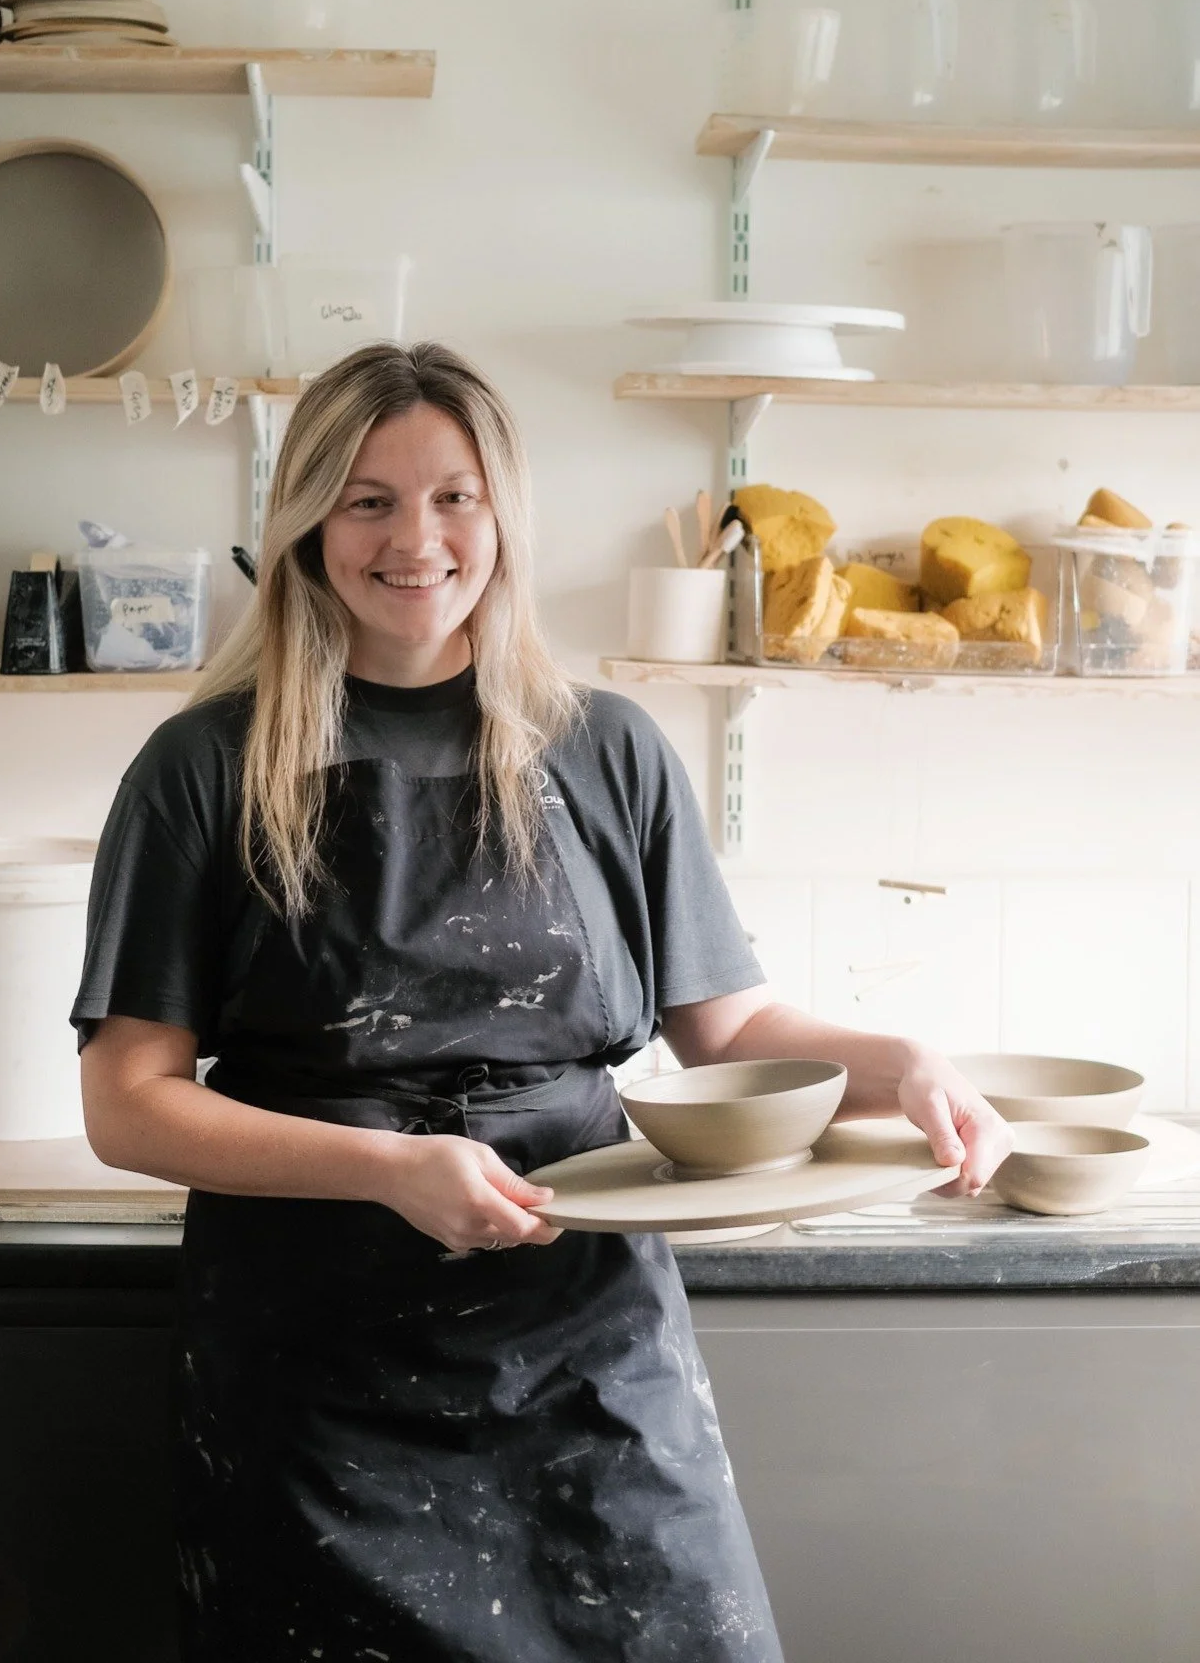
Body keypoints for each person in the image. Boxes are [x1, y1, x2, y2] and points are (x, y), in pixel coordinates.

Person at [72, 339, 1011, 1663]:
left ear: (503, 514)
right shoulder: (201, 768)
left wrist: (903, 1060)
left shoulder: (606, 747)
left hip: (588, 1352)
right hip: (320, 1372)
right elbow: (128, 1106)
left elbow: (730, 1035)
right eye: (368, 499)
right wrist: (391, 1168)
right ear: (305, 526)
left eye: (456, 495)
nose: (418, 538)